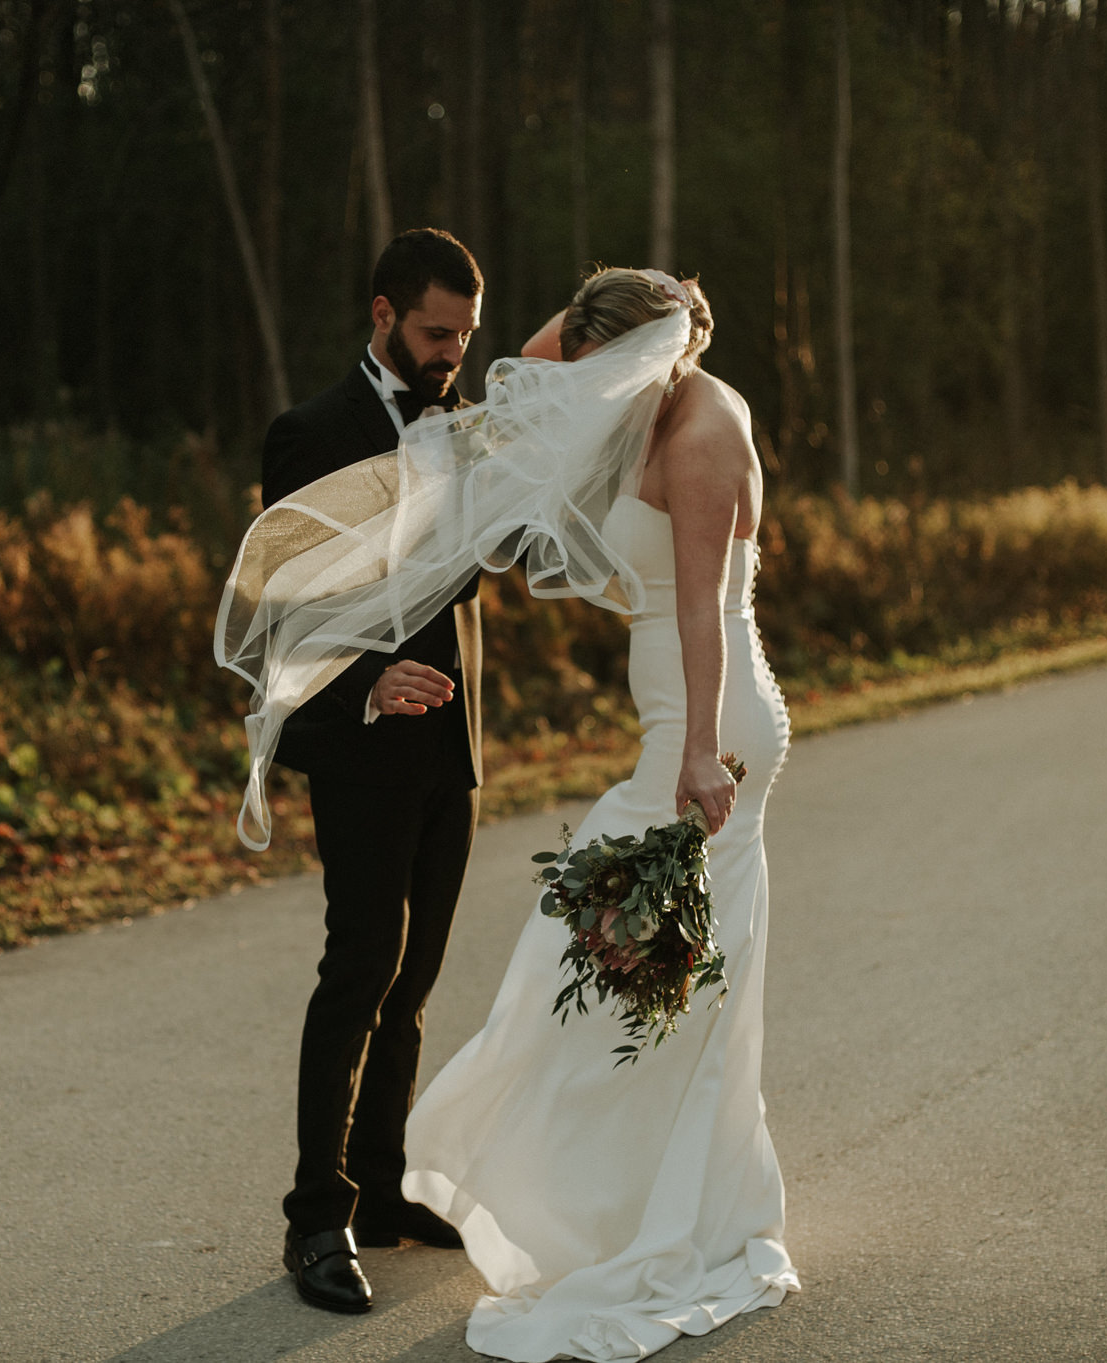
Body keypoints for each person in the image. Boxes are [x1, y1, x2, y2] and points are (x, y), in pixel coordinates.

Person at [400, 268, 800, 1361]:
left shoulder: (706, 429)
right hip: (677, 732)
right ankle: (643, 1199)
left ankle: (666, 1217)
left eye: (612, 361)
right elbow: (521, 372)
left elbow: (706, 610)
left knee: (620, 967)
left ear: (659, 352)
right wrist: (616, 311)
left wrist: (695, 758)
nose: (596, 385)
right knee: (654, 982)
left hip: (706, 738)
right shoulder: (658, 393)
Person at [262, 228, 486, 1315]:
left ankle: (385, 1187)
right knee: (357, 971)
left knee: (413, 984)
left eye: (464, 336)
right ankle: (316, 1215)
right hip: (355, 744)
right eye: (436, 332)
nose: (451, 352)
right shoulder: (308, 434)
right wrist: (369, 679)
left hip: (450, 749)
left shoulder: (461, 426)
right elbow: (287, 607)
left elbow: (471, 579)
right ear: (382, 313)